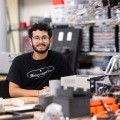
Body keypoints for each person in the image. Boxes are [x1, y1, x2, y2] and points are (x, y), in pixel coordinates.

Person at [6, 22, 74, 97]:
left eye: (44, 37)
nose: (41, 41)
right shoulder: (19, 61)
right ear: (30, 41)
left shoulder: (59, 59)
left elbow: (70, 84)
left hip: (52, 102)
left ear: (50, 40)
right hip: (27, 104)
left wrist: (56, 88)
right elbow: (13, 91)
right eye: (36, 38)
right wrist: (39, 92)